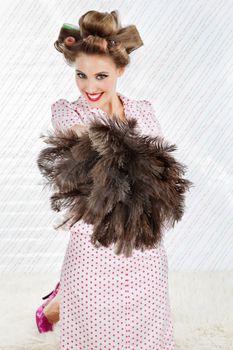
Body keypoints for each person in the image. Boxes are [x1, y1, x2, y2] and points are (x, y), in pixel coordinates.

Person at [36, 9, 176, 349]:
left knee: (147, 291)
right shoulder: (68, 113)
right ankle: (59, 303)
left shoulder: (142, 111)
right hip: (93, 226)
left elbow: (158, 170)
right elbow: (88, 170)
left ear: (120, 69)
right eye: (81, 75)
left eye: (101, 76)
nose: (89, 87)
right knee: (90, 301)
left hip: (139, 223)